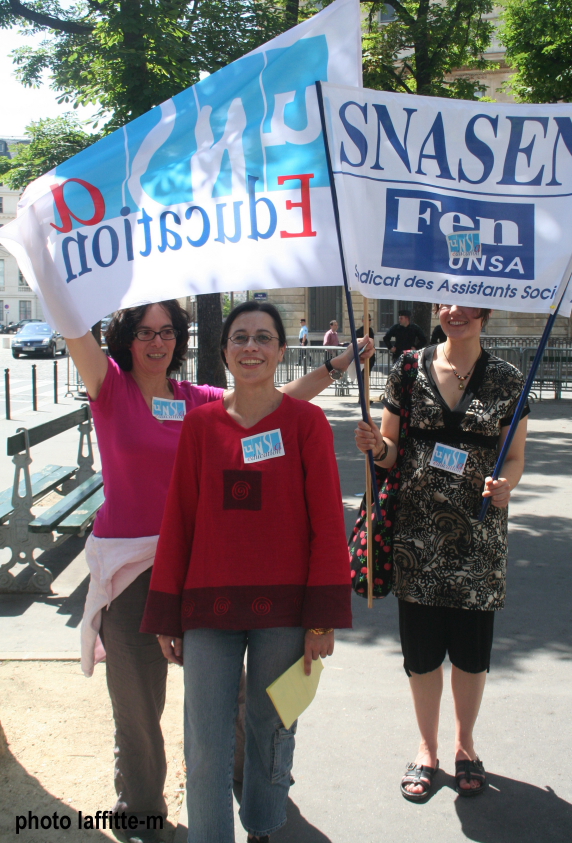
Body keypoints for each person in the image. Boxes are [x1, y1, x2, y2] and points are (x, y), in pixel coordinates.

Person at [67, 300, 372, 843]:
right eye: (144, 332)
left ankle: (257, 809)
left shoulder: (195, 403)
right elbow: (184, 512)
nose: (156, 342)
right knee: (148, 714)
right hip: (151, 576)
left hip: (235, 580)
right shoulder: (115, 390)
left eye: (167, 332)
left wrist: (338, 365)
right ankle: (144, 816)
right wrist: (53, 279)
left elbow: (270, 404)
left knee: (257, 721)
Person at [141, 301, 352, 843]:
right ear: (224, 352)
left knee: (272, 727)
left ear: (282, 350)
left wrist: (323, 618)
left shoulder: (307, 423)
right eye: (239, 338)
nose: (251, 347)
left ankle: (263, 824)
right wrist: (167, 613)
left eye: (263, 337)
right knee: (206, 740)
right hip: (207, 610)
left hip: (286, 612)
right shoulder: (200, 425)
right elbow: (179, 521)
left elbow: (327, 523)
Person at [354, 303, 528, 803]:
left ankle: (465, 746)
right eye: (446, 303)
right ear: (436, 309)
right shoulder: (409, 367)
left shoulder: (507, 379)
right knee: (423, 655)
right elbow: (389, 450)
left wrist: (505, 486)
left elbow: (513, 456)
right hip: (416, 539)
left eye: (468, 305)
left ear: (485, 312)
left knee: (472, 657)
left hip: (478, 539)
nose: (456, 312)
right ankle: (427, 748)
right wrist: (375, 446)